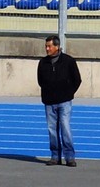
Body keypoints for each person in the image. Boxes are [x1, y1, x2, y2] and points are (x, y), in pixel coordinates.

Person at [38, 35, 81, 166]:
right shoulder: (43, 63)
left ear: (57, 47)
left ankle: (70, 157)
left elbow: (77, 80)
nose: (47, 49)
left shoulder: (69, 61)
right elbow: (40, 81)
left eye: (49, 46)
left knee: (65, 128)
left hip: (64, 102)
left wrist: (68, 93)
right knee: (52, 130)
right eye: (46, 46)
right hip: (49, 102)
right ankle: (55, 156)